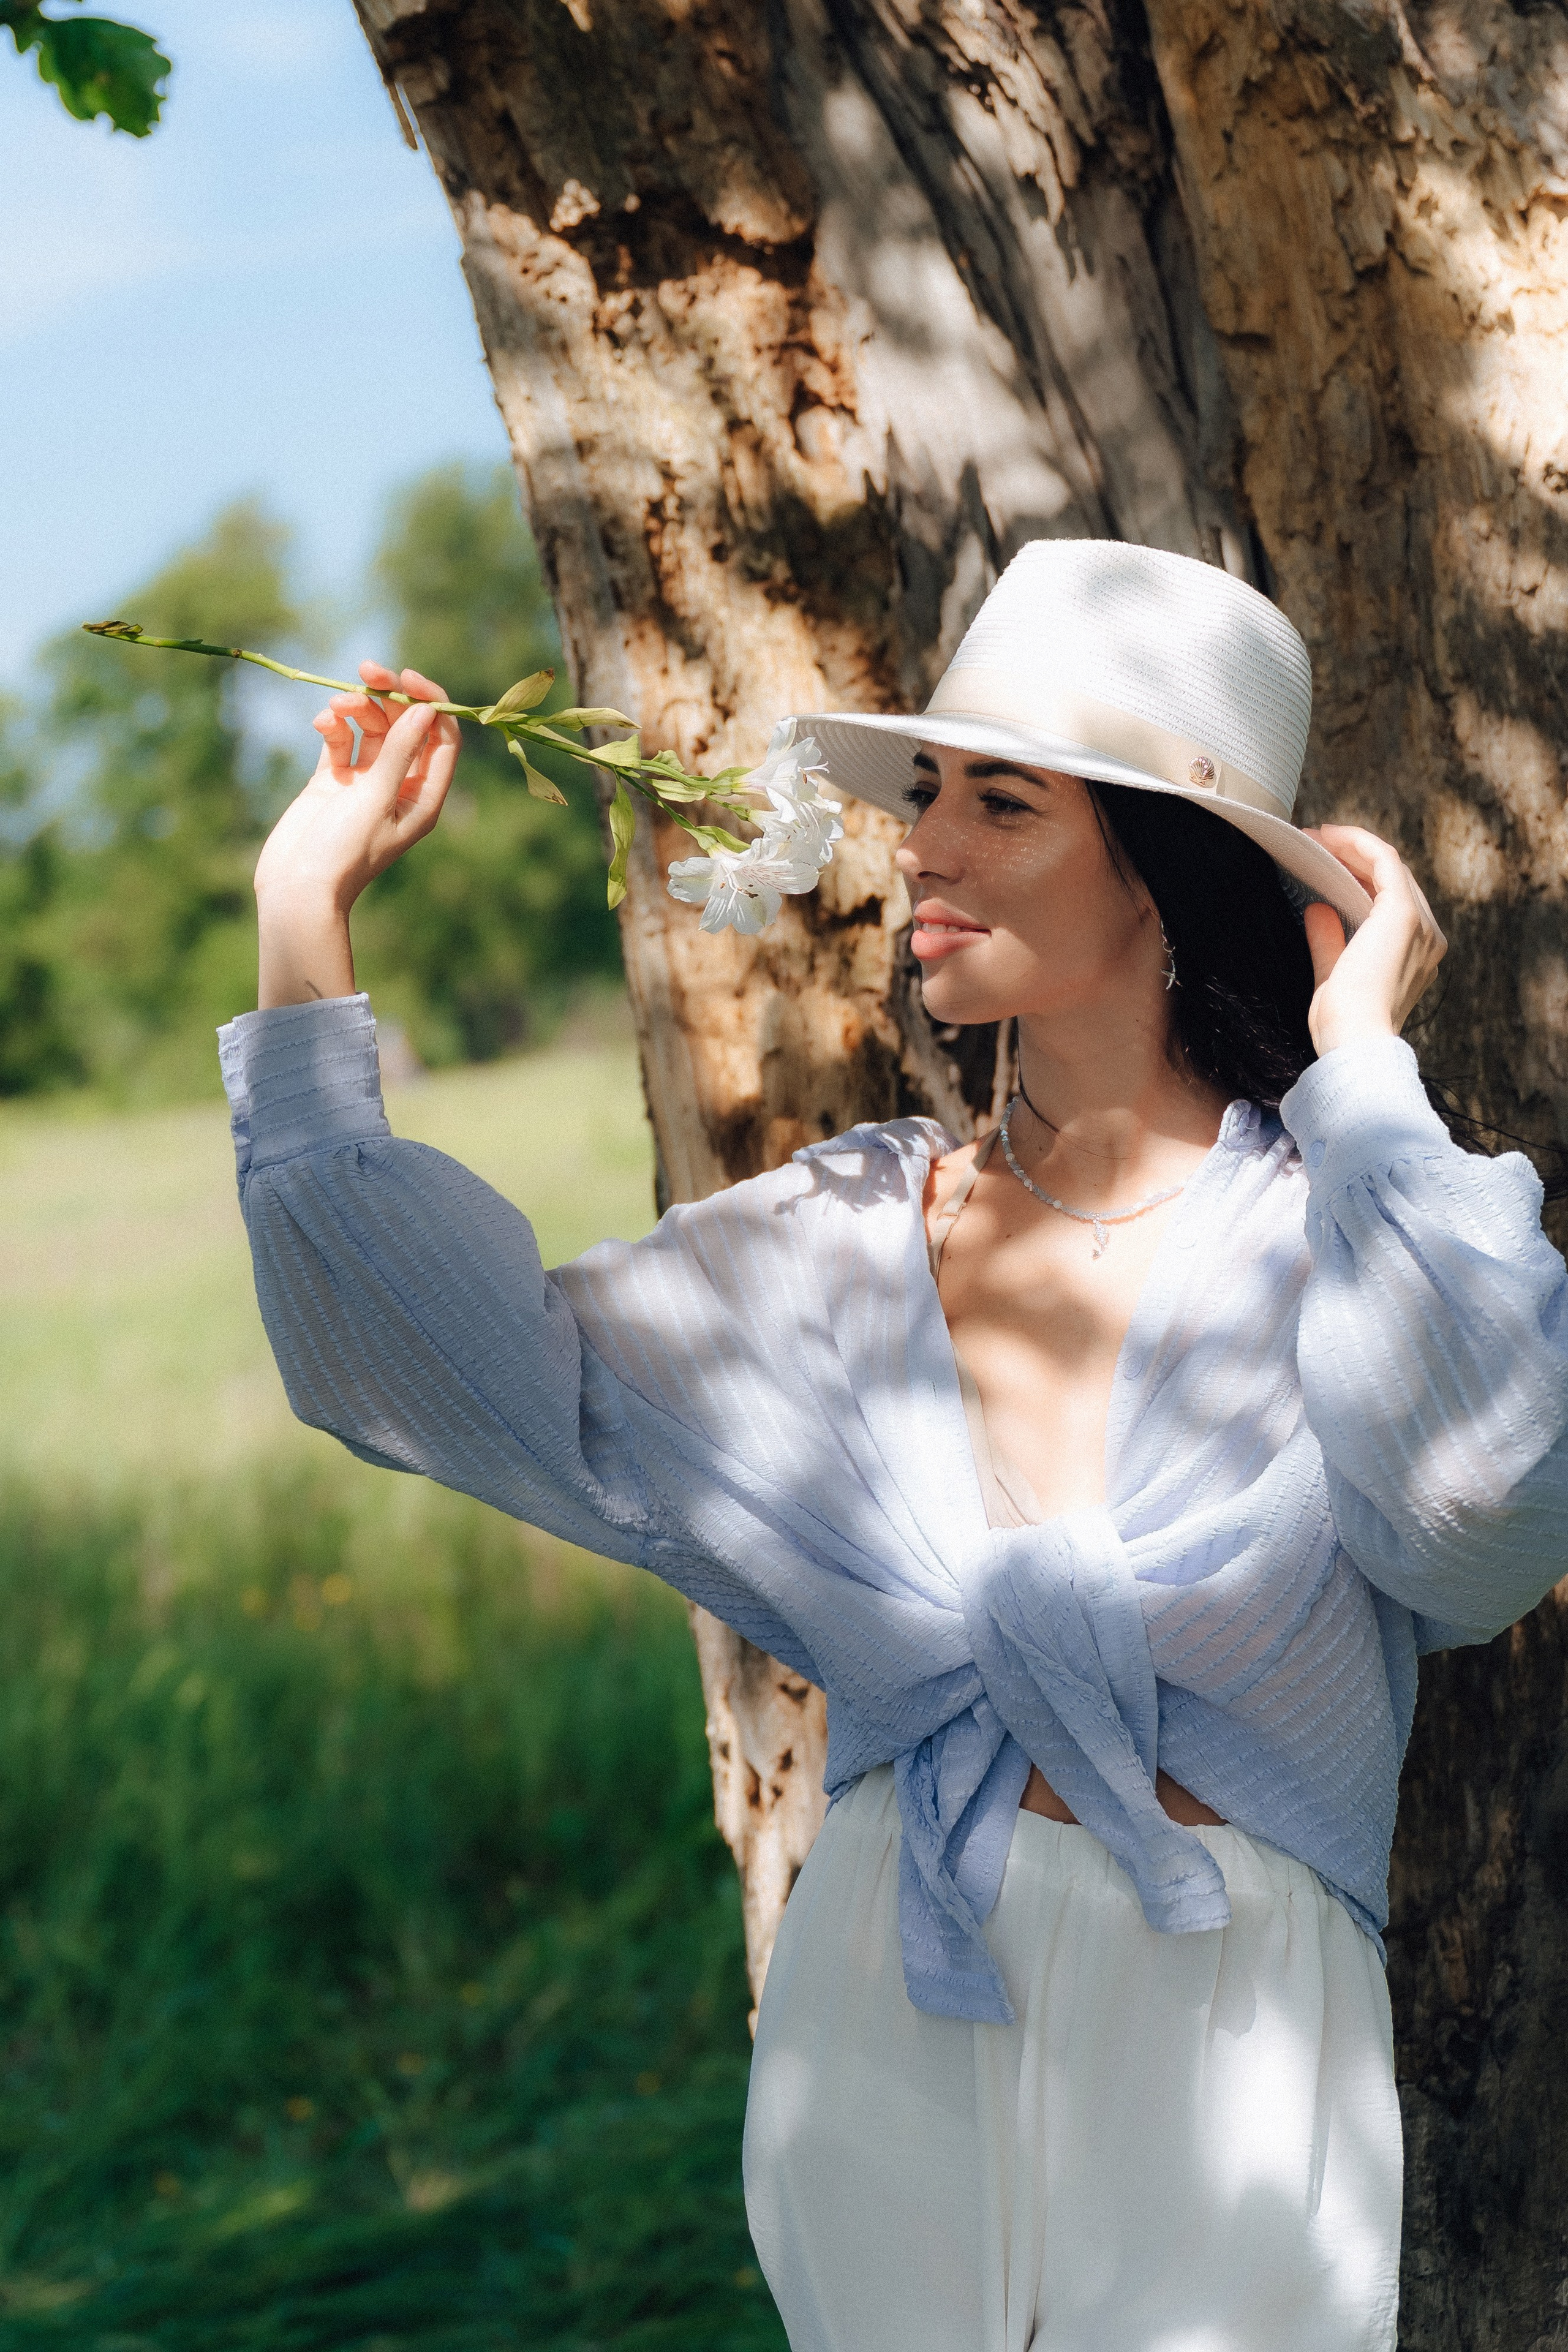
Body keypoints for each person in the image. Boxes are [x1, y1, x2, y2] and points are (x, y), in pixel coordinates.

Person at [219, 540, 1568, 2352]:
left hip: (1236, 2037)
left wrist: (1362, 1062)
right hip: (892, 2003)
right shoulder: (838, 1249)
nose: (921, 843)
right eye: (926, 791)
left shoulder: (1350, 1229)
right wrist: (303, 919)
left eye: (998, 802)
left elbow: (1478, 1510)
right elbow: (435, 1366)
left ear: (1164, 873)